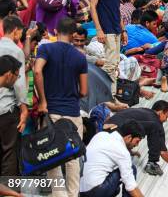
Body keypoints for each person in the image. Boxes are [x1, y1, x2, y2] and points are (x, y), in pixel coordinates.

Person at [33, 17, 87, 197]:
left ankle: (59, 195)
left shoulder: (45, 48)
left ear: (56, 31)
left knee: (52, 158)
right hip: (72, 112)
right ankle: (73, 194)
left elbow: (38, 70)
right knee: (73, 158)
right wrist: (72, 94)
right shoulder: (80, 57)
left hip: (50, 113)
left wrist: (43, 101)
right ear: (73, 35)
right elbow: (84, 91)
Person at [105, 101, 168, 176]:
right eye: (166, 116)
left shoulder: (143, 111)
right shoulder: (156, 122)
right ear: (160, 112)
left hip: (105, 129)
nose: (166, 120)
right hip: (113, 135)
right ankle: (152, 164)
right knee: (154, 127)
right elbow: (163, 152)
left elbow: (126, 127)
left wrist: (129, 150)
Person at [80, 120, 146, 197]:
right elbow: (131, 186)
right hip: (94, 191)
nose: (137, 145)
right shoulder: (122, 152)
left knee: (116, 189)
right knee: (132, 168)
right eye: (137, 141)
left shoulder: (101, 135)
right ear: (129, 137)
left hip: (81, 189)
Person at [91, 0, 126, 97]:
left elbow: (117, 8)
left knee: (115, 63)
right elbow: (93, 6)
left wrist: (123, 30)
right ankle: (104, 95)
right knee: (109, 65)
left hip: (116, 28)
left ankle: (110, 95)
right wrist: (99, 29)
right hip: (106, 29)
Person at [0, 17, 28, 176]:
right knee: (10, 154)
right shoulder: (16, 51)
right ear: (17, 31)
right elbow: (19, 82)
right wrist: (24, 109)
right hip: (8, 109)